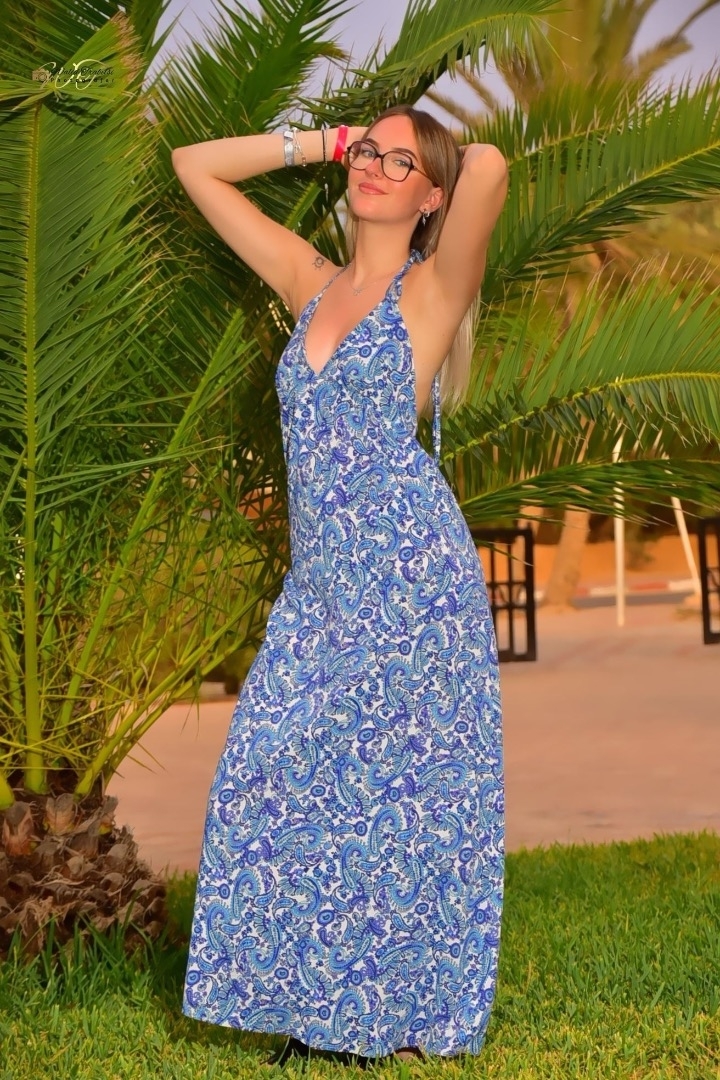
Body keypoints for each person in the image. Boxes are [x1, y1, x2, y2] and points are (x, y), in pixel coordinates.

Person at [171, 105, 508, 1068]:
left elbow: (489, 166)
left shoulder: (432, 292)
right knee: (270, 773)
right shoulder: (307, 281)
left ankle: (367, 1016)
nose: (375, 169)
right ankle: (307, 995)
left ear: (430, 196)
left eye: (402, 164)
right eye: (370, 154)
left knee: (392, 798)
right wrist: (322, 143)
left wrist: (428, 157)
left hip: (408, 579)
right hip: (322, 581)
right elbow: (194, 166)